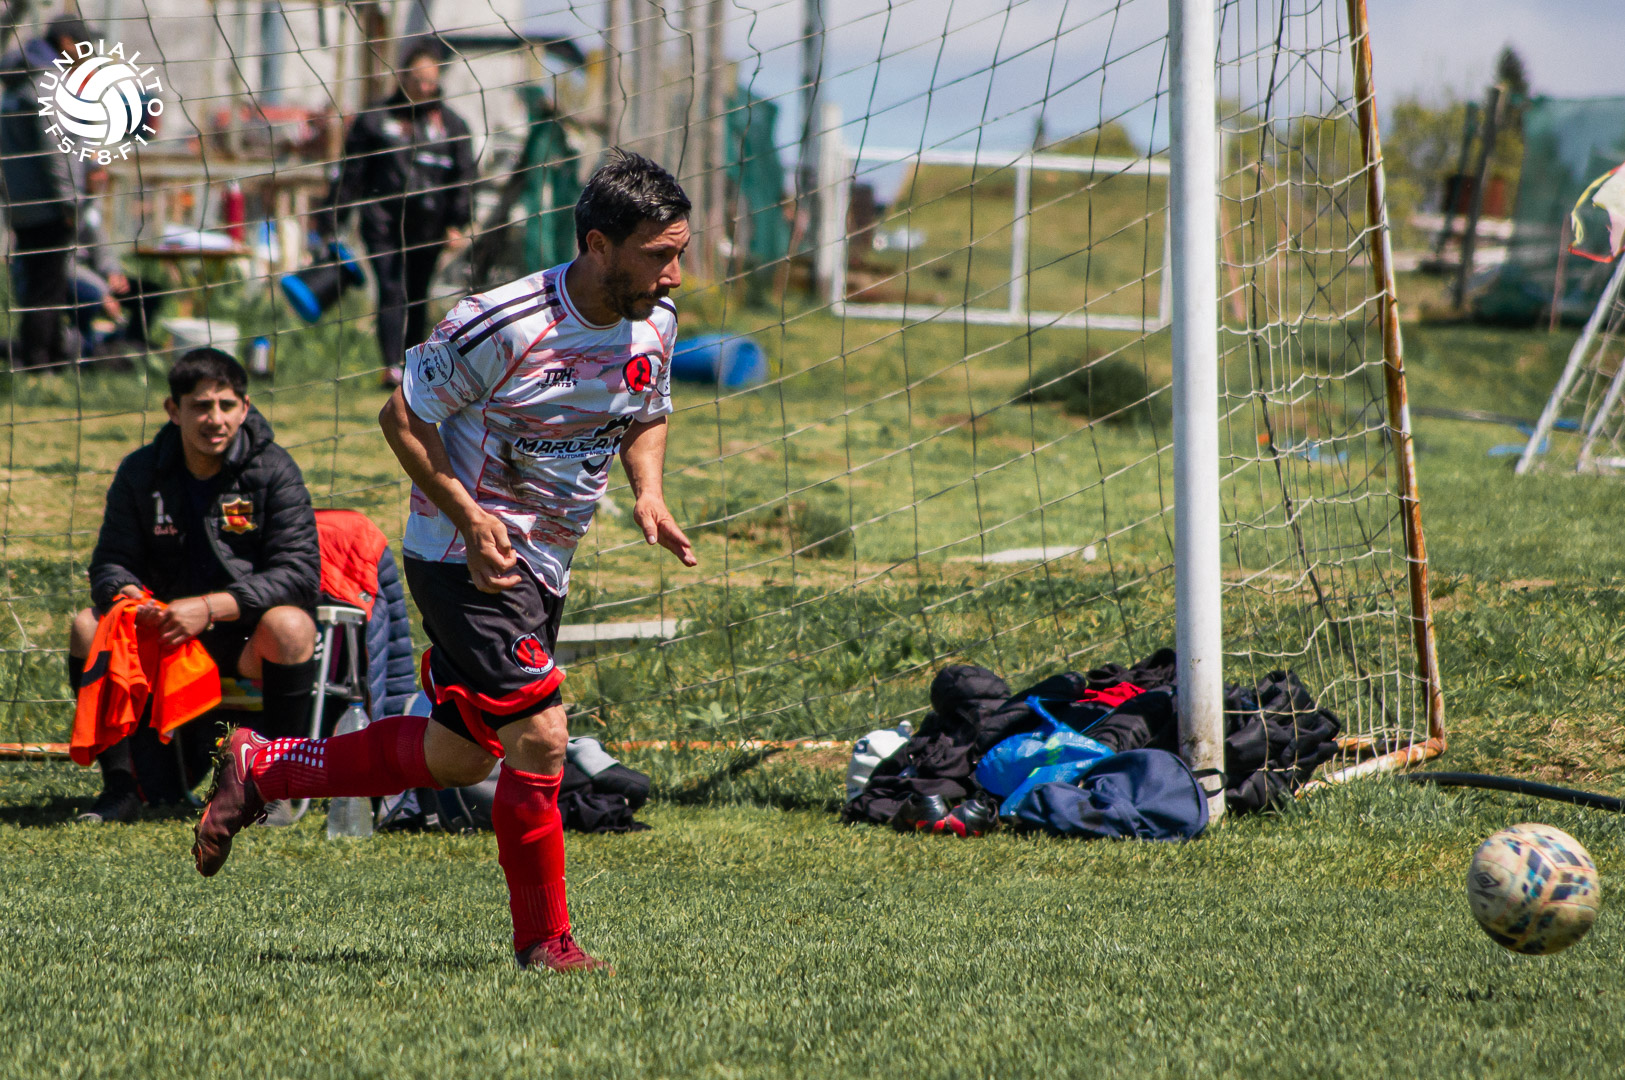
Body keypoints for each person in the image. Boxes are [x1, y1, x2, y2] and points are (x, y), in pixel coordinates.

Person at [193, 150, 698, 974]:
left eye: (680, 252)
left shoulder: (656, 320)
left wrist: (649, 493)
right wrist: (467, 514)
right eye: (658, 255)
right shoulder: (502, 324)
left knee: (461, 755)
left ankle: (266, 766)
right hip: (463, 558)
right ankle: (546, 943)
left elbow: (646, 409)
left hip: (542, 564)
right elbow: (401, 417)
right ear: (599, 244)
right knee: (541, 734)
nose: (674, 274)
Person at [71, 349, 321, 823]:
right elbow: (110, 562)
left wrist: (210, 607)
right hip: (165, 636)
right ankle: (121, 788)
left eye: (227, 405)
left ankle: (277, 786)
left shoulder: (274, 469)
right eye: (201, 406)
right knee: (87, 626)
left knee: (291, 626)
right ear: (173, 409)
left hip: (243, 636)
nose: (215, 419)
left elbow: (300, 574)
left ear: (245, 408)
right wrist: (125, 592)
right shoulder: (140, 471)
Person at [320, 36, 476, 389]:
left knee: (418, 293)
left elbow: (465, 178)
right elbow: (351, 175)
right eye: (417, 80)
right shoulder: (375, 120)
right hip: (383, 223)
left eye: (430, 81)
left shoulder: (452, 126)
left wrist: (457, 222)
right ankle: (391, 366)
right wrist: (332, 219)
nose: (424, 87)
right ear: (402, 77)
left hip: (429, 226)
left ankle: (413, 365)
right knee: (392, 289)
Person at [0, 16, 98, 369]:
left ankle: (48, 354)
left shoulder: (18, 82)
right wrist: (70, 202)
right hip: (49, 204)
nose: (90, 54)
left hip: (22, 204)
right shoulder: (48, 83)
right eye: (86, 46)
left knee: (40, 283)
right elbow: (56, 151)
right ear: (67, 42)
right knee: (47, 287)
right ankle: (39, 363)